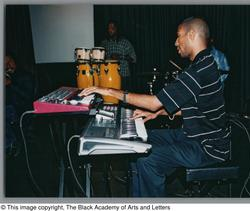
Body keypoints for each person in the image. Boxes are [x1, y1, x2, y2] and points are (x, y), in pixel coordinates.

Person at [80, 17, 230, 197]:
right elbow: (196, 109)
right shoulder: (204, 63)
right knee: (137, 142)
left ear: (191, 35)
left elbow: (153, 102)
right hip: (193, 135)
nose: (176, 42)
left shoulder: (199, 69)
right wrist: (158, 113)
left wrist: (108, 90)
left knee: (147, 160)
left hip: (206, 147)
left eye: (178, 36)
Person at [5, 52, 35, 152]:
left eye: (10, 62)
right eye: (5, 65)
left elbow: (27, 96)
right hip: (11, 108)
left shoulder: (24, 75)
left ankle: (10, 144)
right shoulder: (7, 76)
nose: (8, 66)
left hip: (22, 108)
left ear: (14, 60)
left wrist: (11, 84)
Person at [100, 20, 137, 91]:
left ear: (117, 29)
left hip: (123, 75)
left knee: (124, 99)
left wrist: (120, 57)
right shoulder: (104, 43)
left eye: (112, 28)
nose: (110, 30)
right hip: (109, 75)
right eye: (109, 28)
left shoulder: (125, 42)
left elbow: (133, 59)